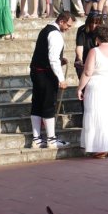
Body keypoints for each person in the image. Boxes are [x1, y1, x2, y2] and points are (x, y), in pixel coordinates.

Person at [76, 23, 108, 158]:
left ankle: (100, 148)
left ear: (97, 38)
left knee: (98, 114)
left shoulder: (94, 51)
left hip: (97, 85)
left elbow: (87, 72)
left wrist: (80, 88)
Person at [29, 11, 75, 149]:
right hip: (47, 75)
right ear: (61, 21)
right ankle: (51, 140)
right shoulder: (55, 34)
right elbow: (53, 59)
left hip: (36, 72)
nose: (69, 28)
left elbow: (48, 54)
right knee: (48, 106)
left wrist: (61, 60)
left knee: (37, 104)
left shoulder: (45, 29)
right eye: (68, 25)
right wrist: (61, 79)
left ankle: (36, 139)